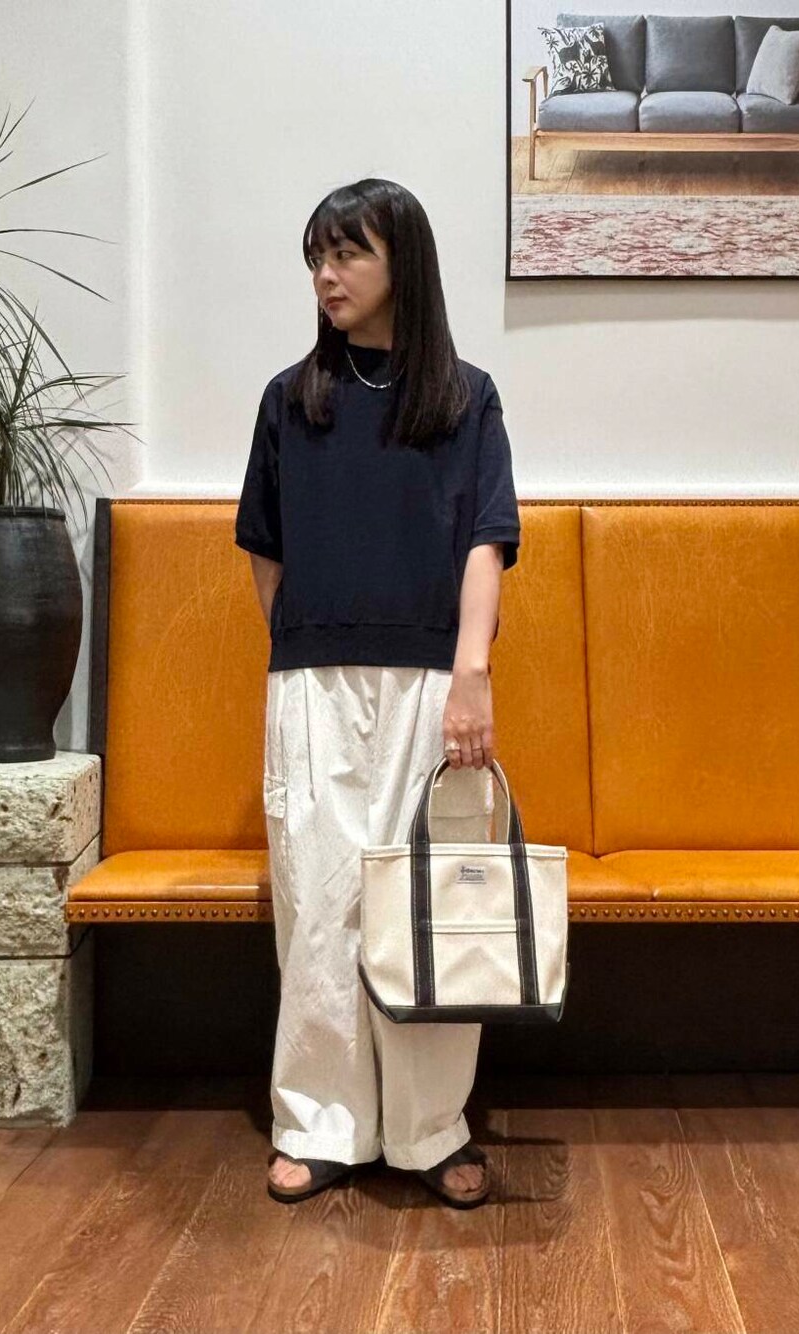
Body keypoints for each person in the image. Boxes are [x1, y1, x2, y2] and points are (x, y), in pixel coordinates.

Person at [234, 178, 521, 1209]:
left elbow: (487, 540)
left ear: (403, 261)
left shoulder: (465, 399)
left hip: (434, 681)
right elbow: (263, 547)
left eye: (347, 252)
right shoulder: (290, 400)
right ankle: (321, 1122)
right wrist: (306, 642)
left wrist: (471, 672)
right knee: (318, 906)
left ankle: (431, 1128)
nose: (327, 274)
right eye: (317, 256)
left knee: (426, 906)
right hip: (313, 681)